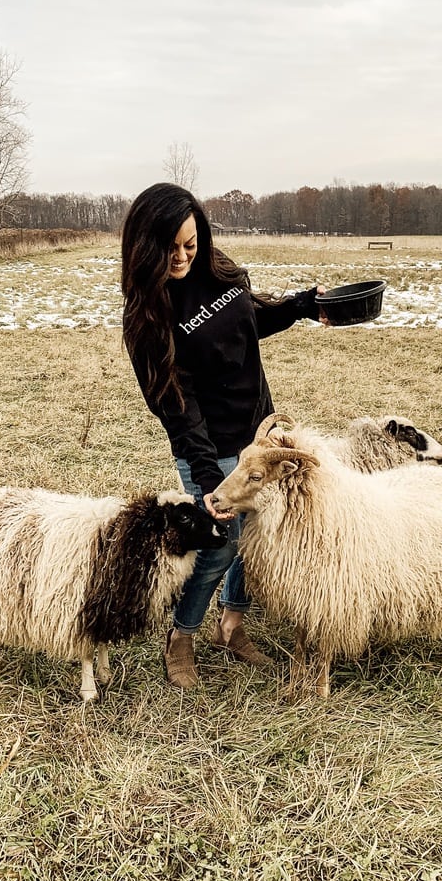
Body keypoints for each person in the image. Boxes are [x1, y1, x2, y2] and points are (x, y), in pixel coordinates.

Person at [121, 182, 326, 689]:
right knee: (220, 543)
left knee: (258, 534)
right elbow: (176, 406)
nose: (182, 257)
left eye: (190, 244)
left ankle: (231, 624)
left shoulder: (219, 270)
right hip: (210, 447)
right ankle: (181, 636)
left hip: (258, 430)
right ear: (145, 248)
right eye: (170, 249)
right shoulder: (148, 318)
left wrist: (300, 306)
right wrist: (210, 475)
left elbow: (249, 321)